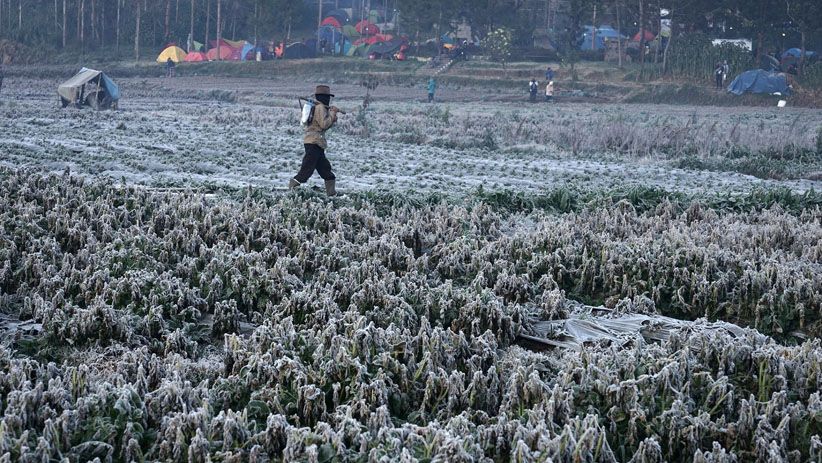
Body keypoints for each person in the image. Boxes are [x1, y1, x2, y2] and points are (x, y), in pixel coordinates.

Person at [289, 85, 341, 196]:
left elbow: (322, 126)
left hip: (316, 142)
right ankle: (291, 190)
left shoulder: (316, 107)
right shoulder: (320, 107)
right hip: (314, 143)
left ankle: (332, 194)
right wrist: (333, 113)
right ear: (324, 97)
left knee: (326, 170)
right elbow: (324, 125)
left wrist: (332, 118)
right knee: (306, 170)